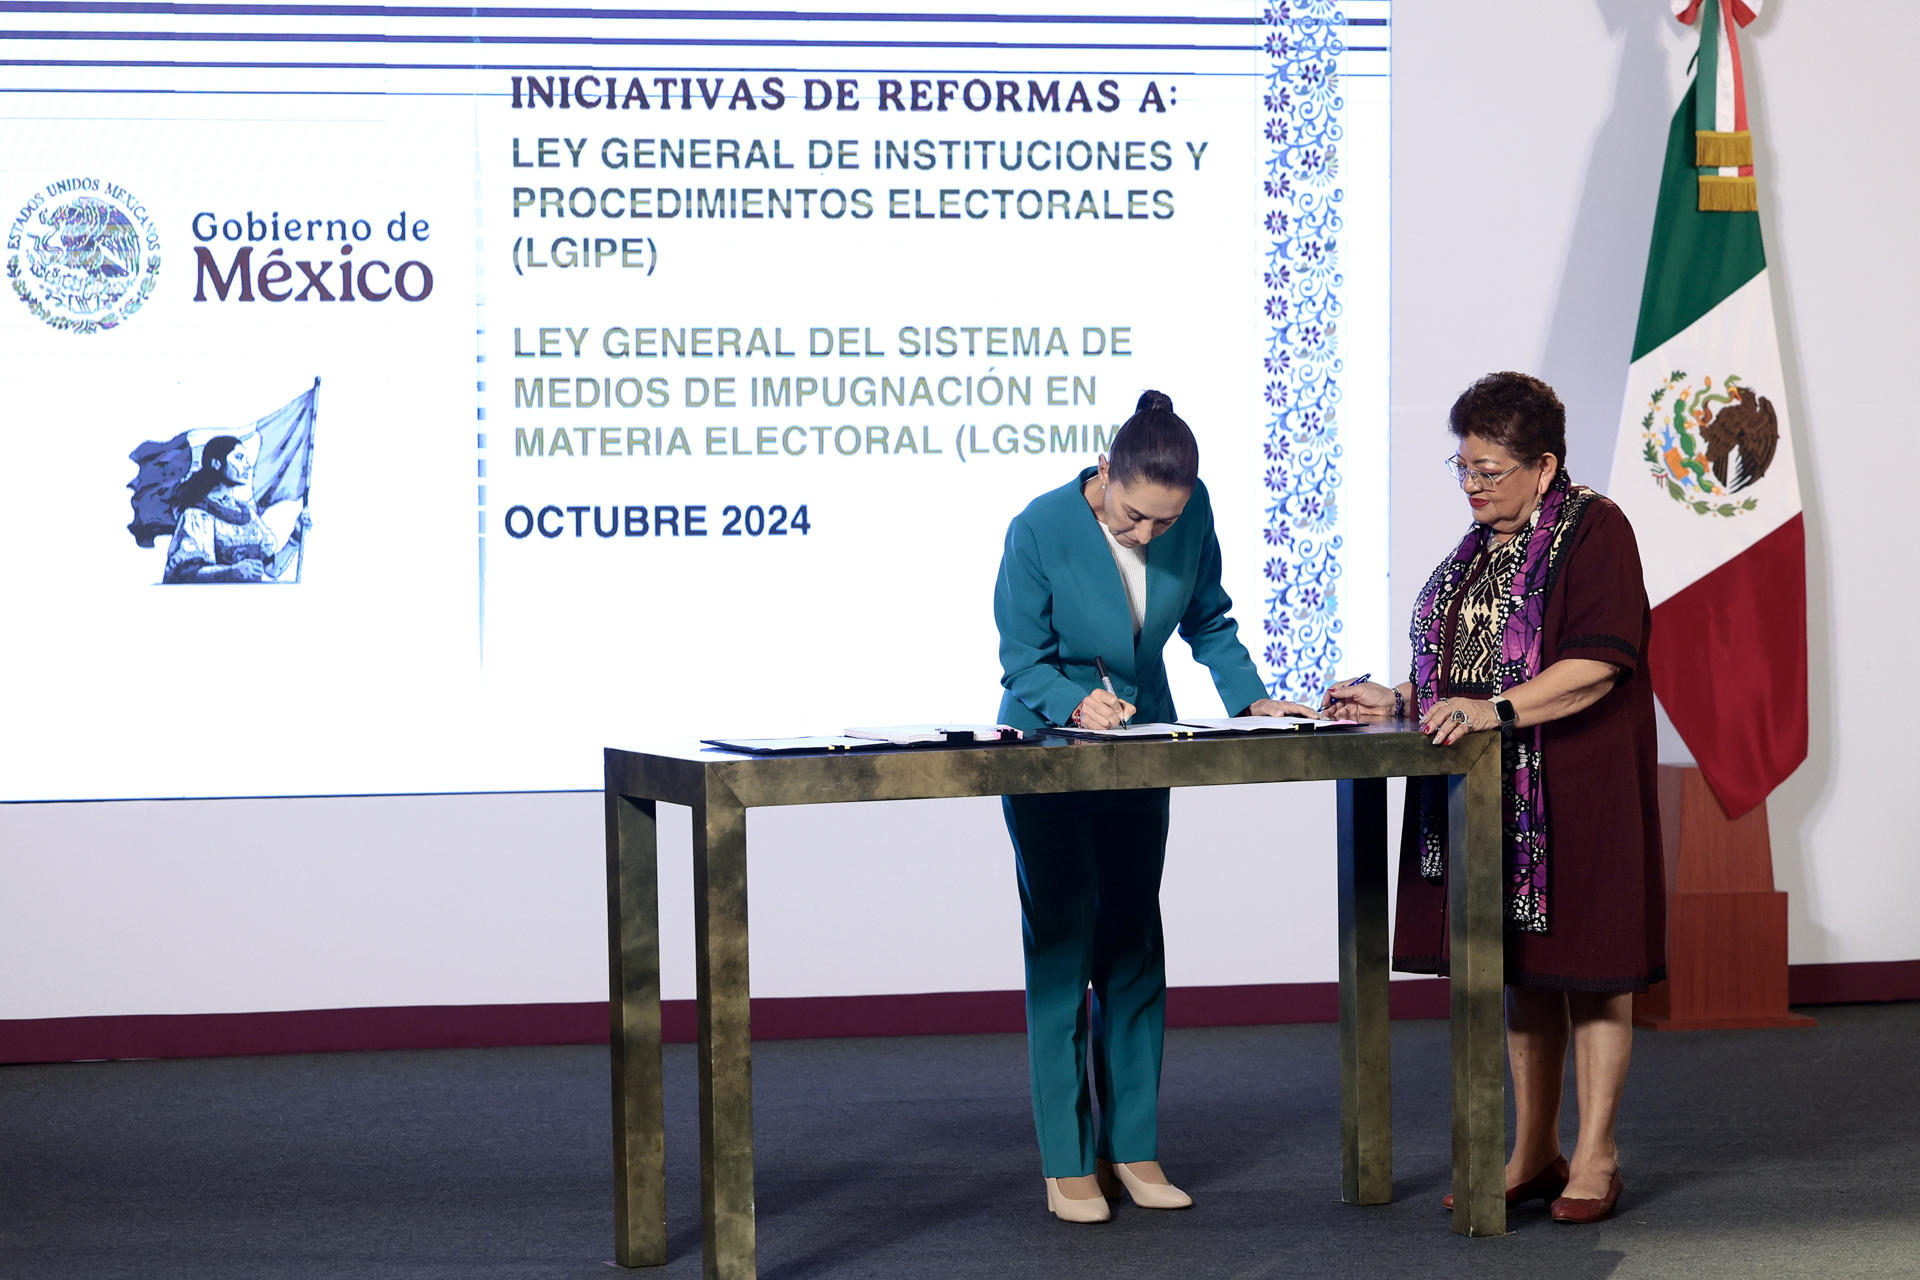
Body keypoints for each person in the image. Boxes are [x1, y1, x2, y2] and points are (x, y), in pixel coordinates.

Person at [1326, 371, 1664, 1226]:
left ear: (1544, 466)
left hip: (1578, 789)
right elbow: (1471, 663)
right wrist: (1404, 698)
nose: (1472, 485)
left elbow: (1597, 661)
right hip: (1493, 800)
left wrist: (1496, 710)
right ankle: (1533, 1148)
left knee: (1592, 975)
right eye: (1464, 467)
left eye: (1490, 470)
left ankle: (1597, 1154)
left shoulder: (1598, 530)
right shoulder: (1481, 548)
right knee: (1517, 971)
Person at [994, 389, 1316, 1224]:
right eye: (1134, 518)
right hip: (1047, 751)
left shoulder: (1189, 509)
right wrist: (1071, 701)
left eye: (1162, 526)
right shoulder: (1038, 527)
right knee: (1064, 944)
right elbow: (1021, 658)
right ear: (1105, 474)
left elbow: (1208, 618)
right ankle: (1067, 1162)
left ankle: (1129, 1146)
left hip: (1143, 744)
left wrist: (1249, 699)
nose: (1146, 536)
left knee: (1134, 939)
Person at [163, 435, 306, 584]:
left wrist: (296, 537)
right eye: (239, 458)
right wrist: (232, 572)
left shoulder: (248, 514)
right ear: (217, 463)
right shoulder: (197, 515)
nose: (247, 465)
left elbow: (271, 569)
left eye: (245, 459)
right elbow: (185, 574)